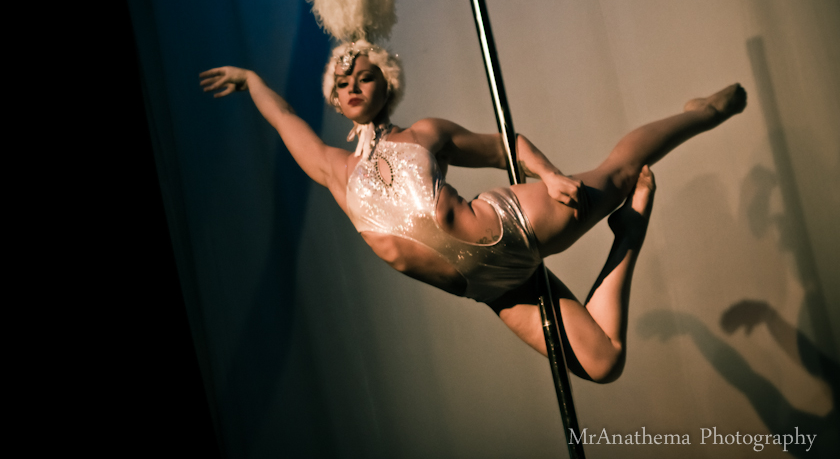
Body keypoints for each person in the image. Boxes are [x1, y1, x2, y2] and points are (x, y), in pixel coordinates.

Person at [199, 40, 746, 383]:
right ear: (336, 102)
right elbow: (284, 119)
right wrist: (252, 81)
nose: (352, 86)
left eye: (363, 76)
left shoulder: (425, 134)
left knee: (622, 171)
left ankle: (704, 114)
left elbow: (506, 145)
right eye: (342, 84)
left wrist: (551, 176)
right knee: (604, 363)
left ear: (386, 84)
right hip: (496, 290)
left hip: (515, 222)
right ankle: (629, 232)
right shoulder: (336, 171)